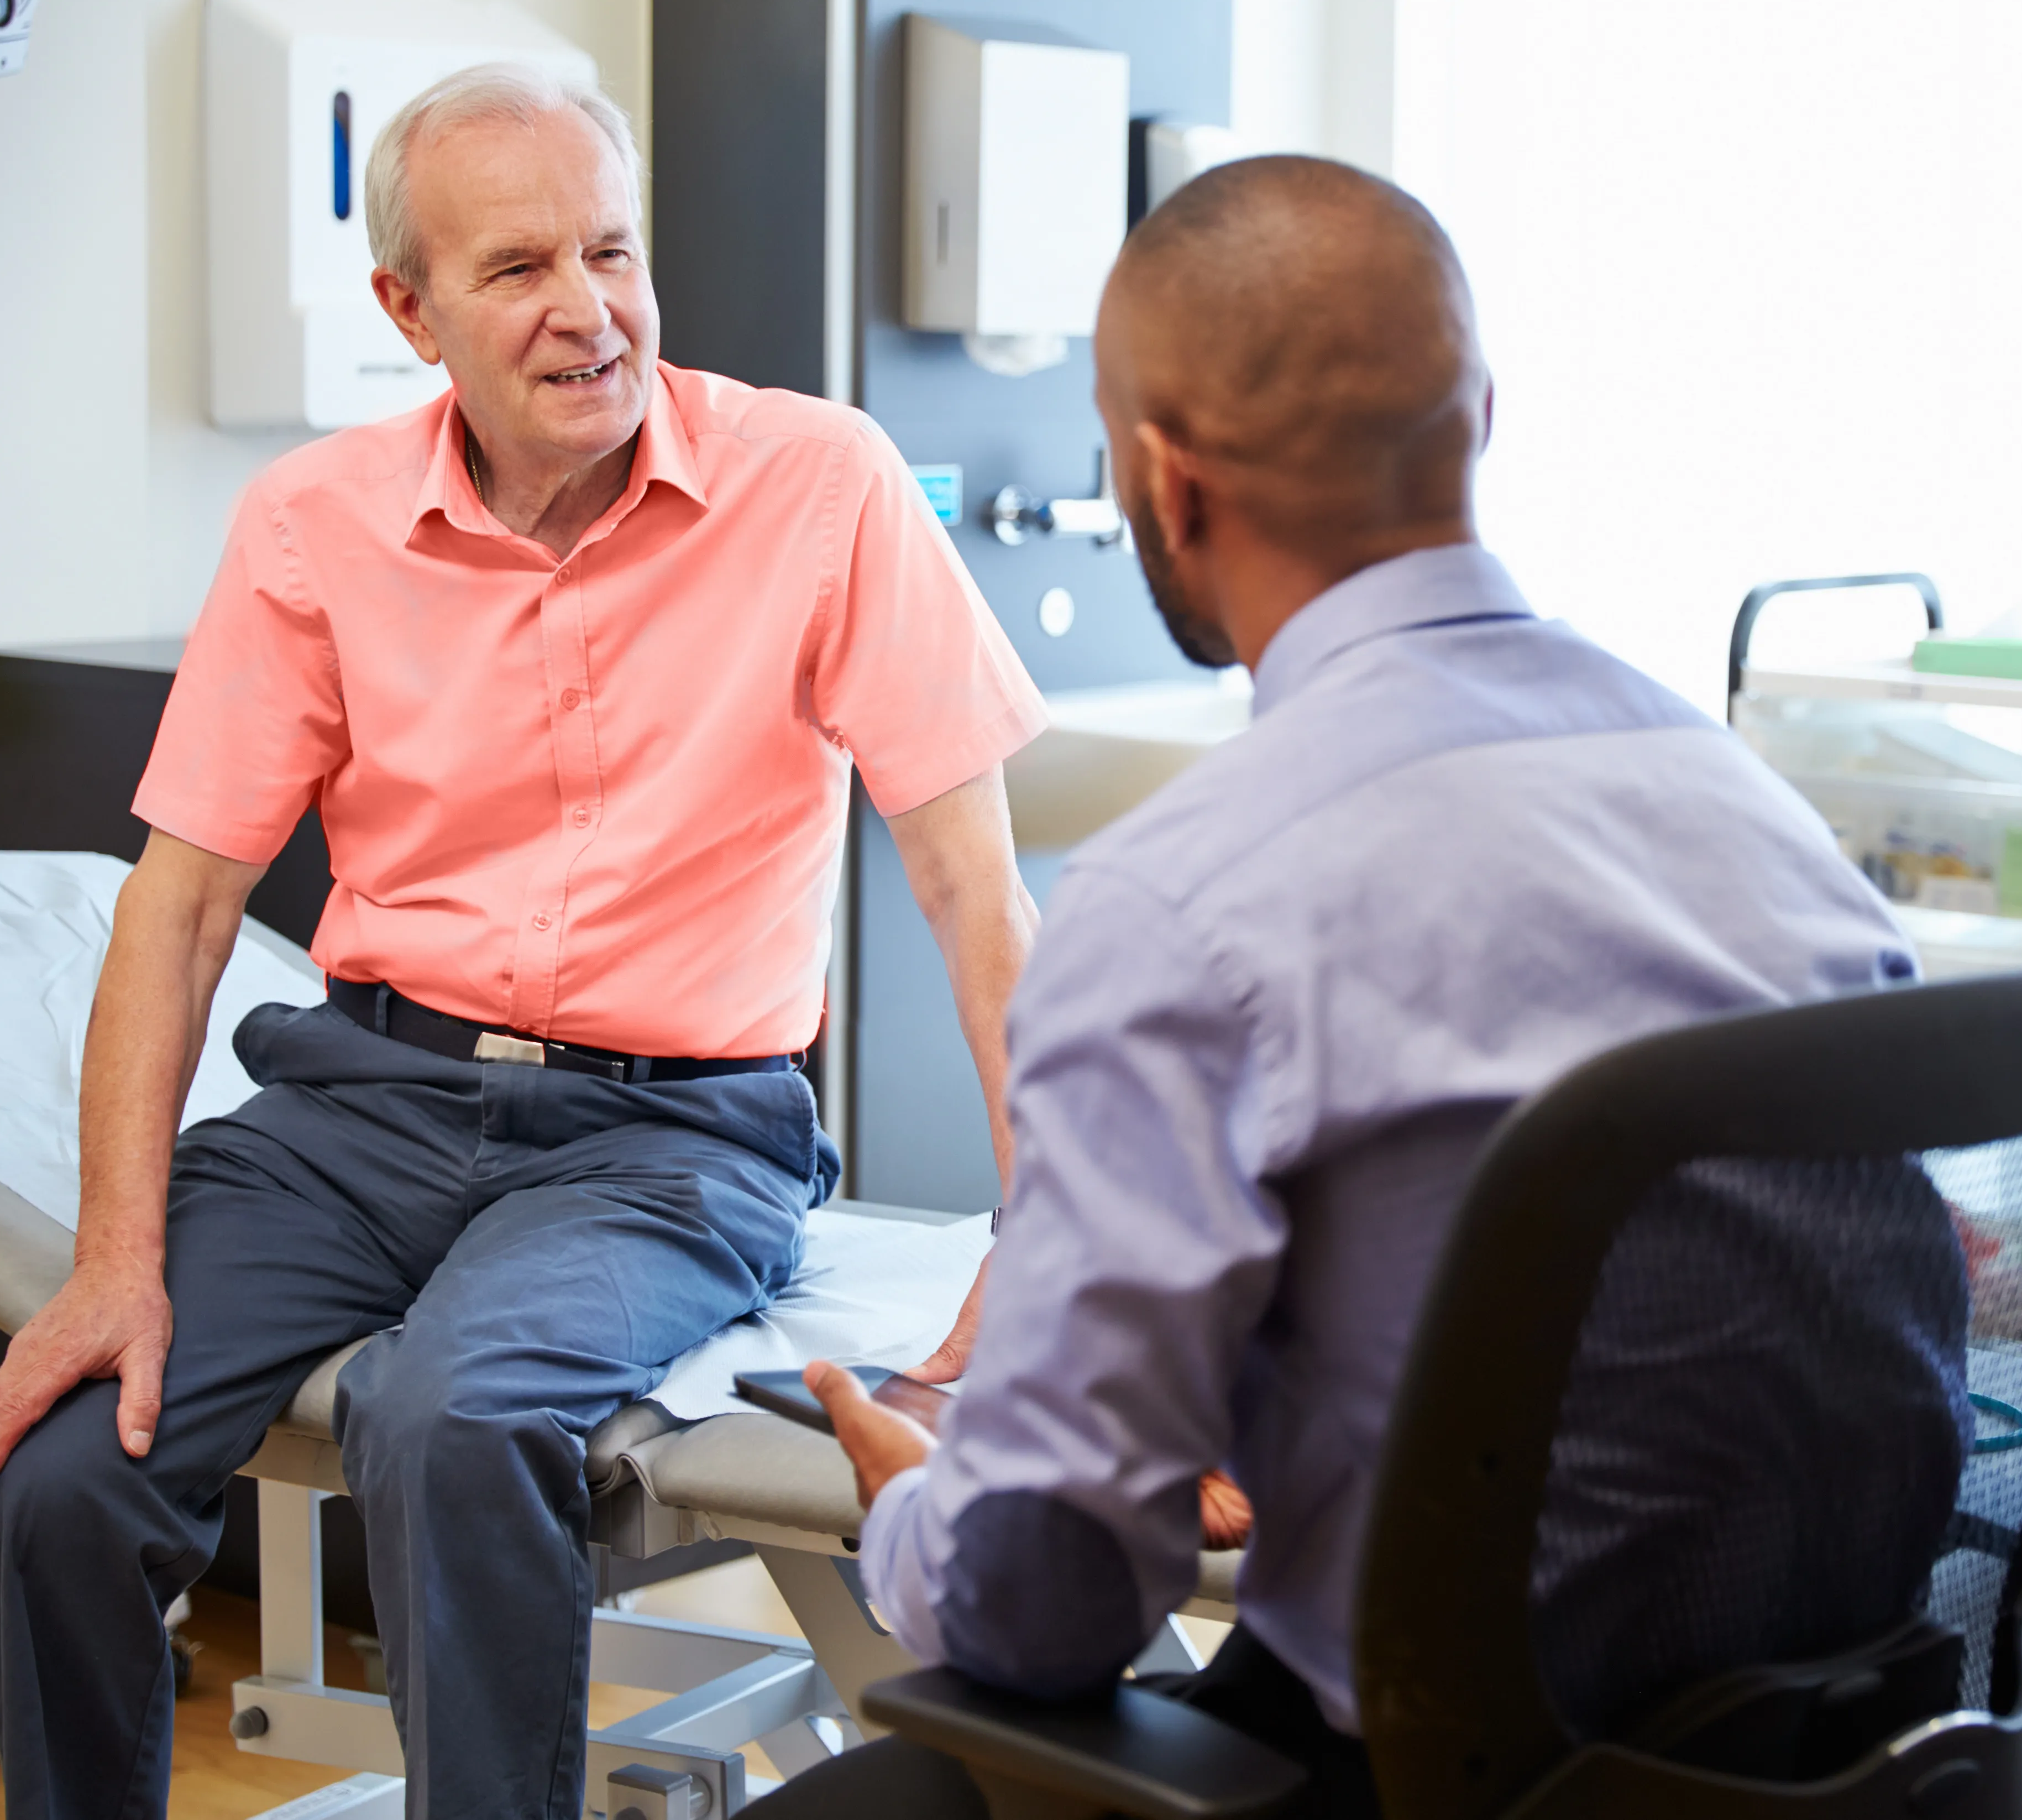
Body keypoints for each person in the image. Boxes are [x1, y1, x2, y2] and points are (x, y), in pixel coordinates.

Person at [737, 155, 1921, 1819]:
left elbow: (1056, 1605)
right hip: (1819, 1755)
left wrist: (920, 1513)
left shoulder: (1179, 904)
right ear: (1481, 416)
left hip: (1427, 1774)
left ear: (1160, 473)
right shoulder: (1755, 817)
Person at [0, 65, 1045, 1820]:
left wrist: (1051, 1225)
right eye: (522, 266)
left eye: (612, 250)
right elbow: (178, 906)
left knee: (450, 1422)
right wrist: (111, 1258)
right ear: (411, 308)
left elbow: (975, 895)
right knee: (65, 1474)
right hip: (358, 1106)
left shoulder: (819, 488)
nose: (589, 311)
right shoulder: (316, 525)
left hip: (670, 1137)